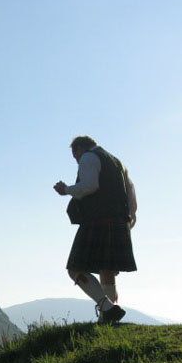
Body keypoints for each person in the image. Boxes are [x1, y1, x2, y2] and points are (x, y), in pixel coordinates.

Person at [53, 135, 137, 324]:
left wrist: (66, 189)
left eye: (75, 156)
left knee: (75, 269)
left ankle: (107, 308)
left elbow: (90, 185)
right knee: (106, 270)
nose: (77, 161)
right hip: (119, 222)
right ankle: (107, 318)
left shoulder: (88, 157)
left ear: (79, 149)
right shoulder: (117, 162)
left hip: (98, 221)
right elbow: (131, 191)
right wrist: (130, 219)